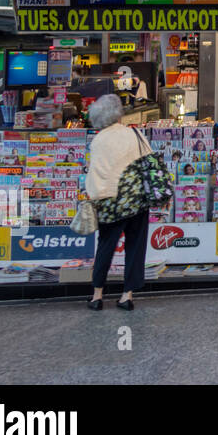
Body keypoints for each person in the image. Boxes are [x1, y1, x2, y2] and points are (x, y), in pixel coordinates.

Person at [85, 94, 153, 311]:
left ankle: (97, 296)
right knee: (135, 247)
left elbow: (95, 173)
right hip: (137, 200)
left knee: (106, 246)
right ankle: (127, 296)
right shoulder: (133, 133)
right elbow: (149, 162)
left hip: (110, 201)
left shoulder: (98, 140)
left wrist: (94, 199)